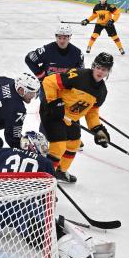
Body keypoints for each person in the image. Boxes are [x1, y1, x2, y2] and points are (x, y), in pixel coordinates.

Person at [39, 53, 113, 183]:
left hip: (71, 118)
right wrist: (53, 102)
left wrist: (97, 129)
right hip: (52, 112)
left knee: (74, 144)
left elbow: (92, 112)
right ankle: (45, 179)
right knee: (58, 147)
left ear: (108, 72)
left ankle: (60, 172)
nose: (101, 72)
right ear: (94, 66)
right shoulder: (78, 75)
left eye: (105, 69)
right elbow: (49, 81)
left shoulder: (102, 92)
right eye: (99, 67)